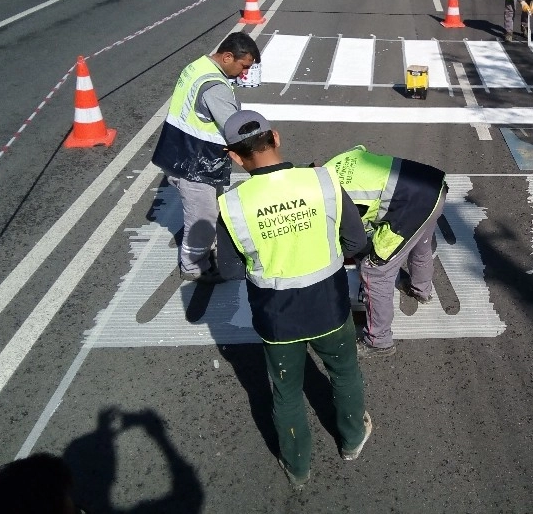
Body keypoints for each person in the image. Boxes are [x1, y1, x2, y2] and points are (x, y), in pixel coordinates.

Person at [217, 111, 372, 489]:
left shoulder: (232, 205)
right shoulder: (323, 180)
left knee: (286, 391)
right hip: (330, 308)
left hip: (276, 318)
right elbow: (357, 243)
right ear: (276, 137)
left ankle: (297, 466)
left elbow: (231, 271)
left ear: (235, 157)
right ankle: (351, 441)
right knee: (344, 373)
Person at [151, 33, 260, 284]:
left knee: (209, 210)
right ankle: (193, 265)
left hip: (178, 152)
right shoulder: (216, 88)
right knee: (204, 217)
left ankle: (201, 254)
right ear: (227, 56)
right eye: (243, 66)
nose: (243, 73)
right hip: (196, 162)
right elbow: (235, 127)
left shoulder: (197, 67)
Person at [324, 145, 447, 358]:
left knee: (375, 271)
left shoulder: (331, 201)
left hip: (410, 205)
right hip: (433, 187)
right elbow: (361, 150)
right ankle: (421, 290)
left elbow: (356, 240)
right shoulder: (333, 164)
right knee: (420, 244)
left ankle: (378, 341)